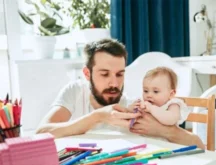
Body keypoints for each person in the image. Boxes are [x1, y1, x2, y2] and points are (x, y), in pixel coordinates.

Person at [36, 38, 205, 149]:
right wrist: (98, 116)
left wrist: (164, 131)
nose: (114, 83)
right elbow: (41, 134)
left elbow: (199, 145)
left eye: (120, 74)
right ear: (87, 74)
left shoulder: (130, 108)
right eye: (104, 74)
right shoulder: (75, 92)